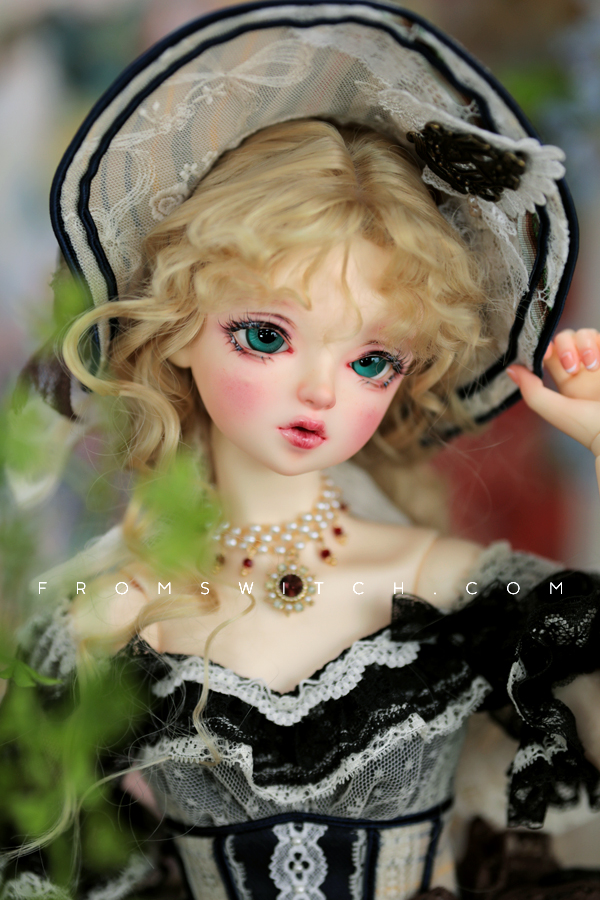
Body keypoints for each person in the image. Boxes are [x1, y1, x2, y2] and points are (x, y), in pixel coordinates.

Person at [3, 3, 600, 898]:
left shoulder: (449, 587)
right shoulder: (110, 611)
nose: (321, 390)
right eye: (266, 335)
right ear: (178, 329)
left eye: (371, 360)